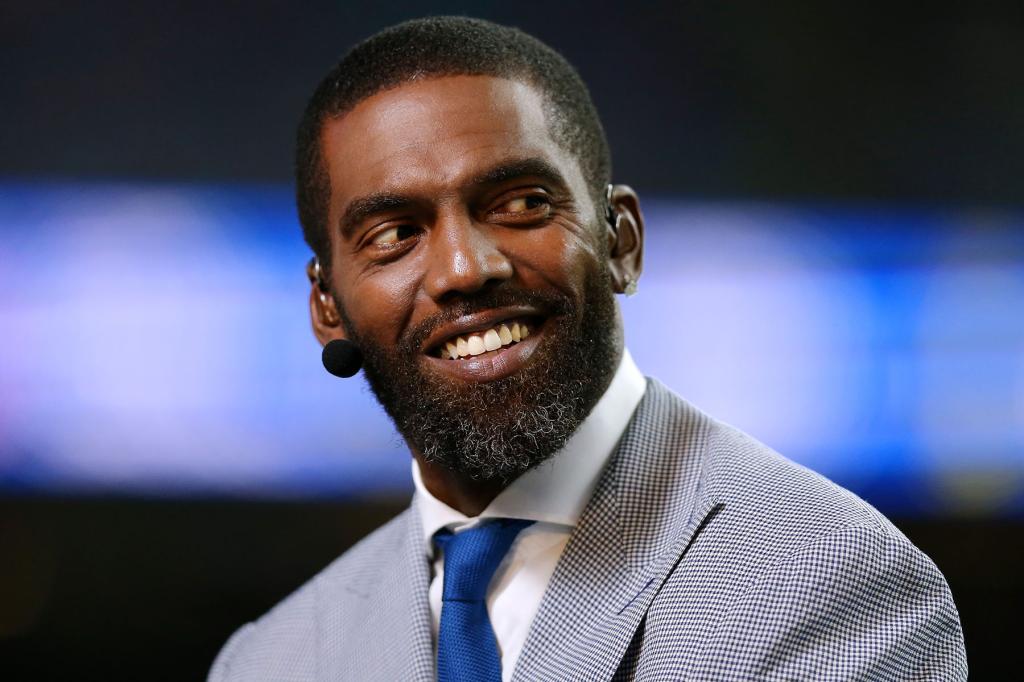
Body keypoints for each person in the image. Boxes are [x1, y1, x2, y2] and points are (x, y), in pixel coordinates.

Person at [209, 16, 966, 681]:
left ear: (621, 242)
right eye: (396, 234)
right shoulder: (270, 660)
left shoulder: (834, 582)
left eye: (519, 204)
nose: (466, 269)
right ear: (327, 307)